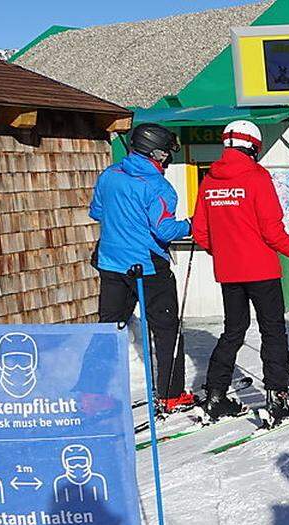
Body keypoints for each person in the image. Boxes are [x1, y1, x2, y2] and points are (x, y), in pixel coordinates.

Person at [191, 120, 289, 426]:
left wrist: (222, 251)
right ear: (253, 147)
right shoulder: (257, 177)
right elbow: (272, 231)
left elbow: (200, 231)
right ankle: (277, 399)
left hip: (229, 271)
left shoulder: (209, 180)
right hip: (261, 269)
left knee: (233, 330)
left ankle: (215, 396)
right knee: (272, 329)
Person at [90, 123, 194, 413]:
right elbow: (165, 230)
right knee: (166, 328)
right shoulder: (158, 186)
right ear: (157, 153)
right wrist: (191, 225)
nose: (167, 160)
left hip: (111, 263)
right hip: (147, 266)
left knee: (109, 329)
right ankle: (171, 393)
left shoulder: (109, 175)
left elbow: (97, 211)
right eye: (166, 154)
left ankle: (90, 393)